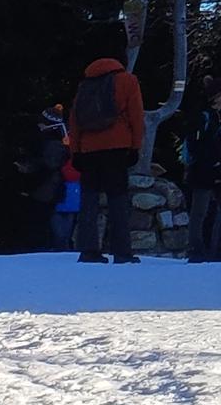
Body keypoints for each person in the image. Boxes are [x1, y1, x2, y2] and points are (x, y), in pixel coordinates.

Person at [66, 47, 148, 265]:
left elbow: (75, 120)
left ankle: (88, 250)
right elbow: (136, 115)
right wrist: (135, 146)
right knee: (118, 199)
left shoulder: (86, 83)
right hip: (117, 146)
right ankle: (122, 251)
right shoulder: (128, 80)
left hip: (88, 149)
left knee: (89, 200)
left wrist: (76, 151)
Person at [181, 87, 221, 263]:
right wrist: (209, 160)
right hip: (205, 170)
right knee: (201, 211)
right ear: (215, 97)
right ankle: (197, 249)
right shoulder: (204, 117)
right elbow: (196, 144)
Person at [19, 105, 72, 251]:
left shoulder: (53, 143)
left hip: (48, 188)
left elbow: (50, 165)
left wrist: (30, 168)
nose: (39, 125)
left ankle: (48, 248)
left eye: (41, 122)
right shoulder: (53, 140)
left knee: (48, 224)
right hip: (47, 188)